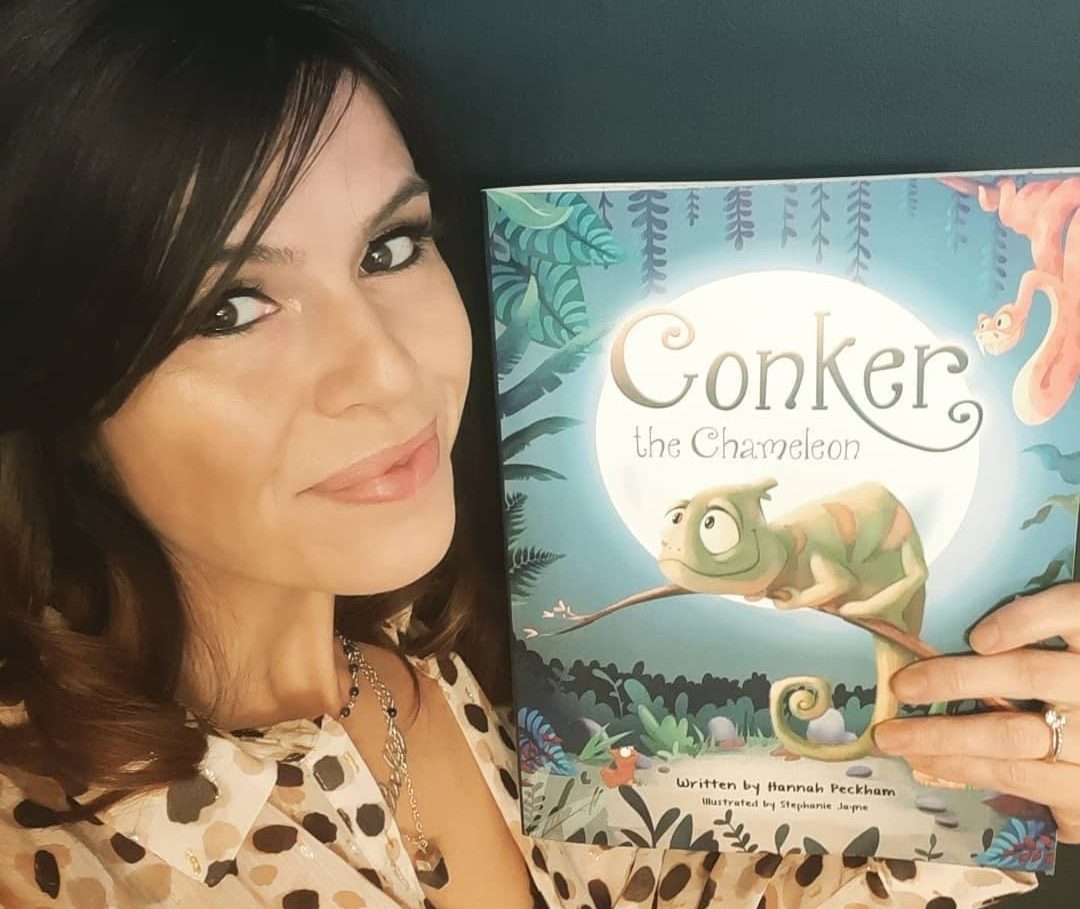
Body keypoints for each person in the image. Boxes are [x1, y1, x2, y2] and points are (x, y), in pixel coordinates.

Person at [0, 1, 1074, 907]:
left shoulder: (486, 660)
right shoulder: (58, 851)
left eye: (391, 247)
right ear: (62, 381)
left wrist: (1027, 764)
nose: (388, 371)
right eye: (231, 307)